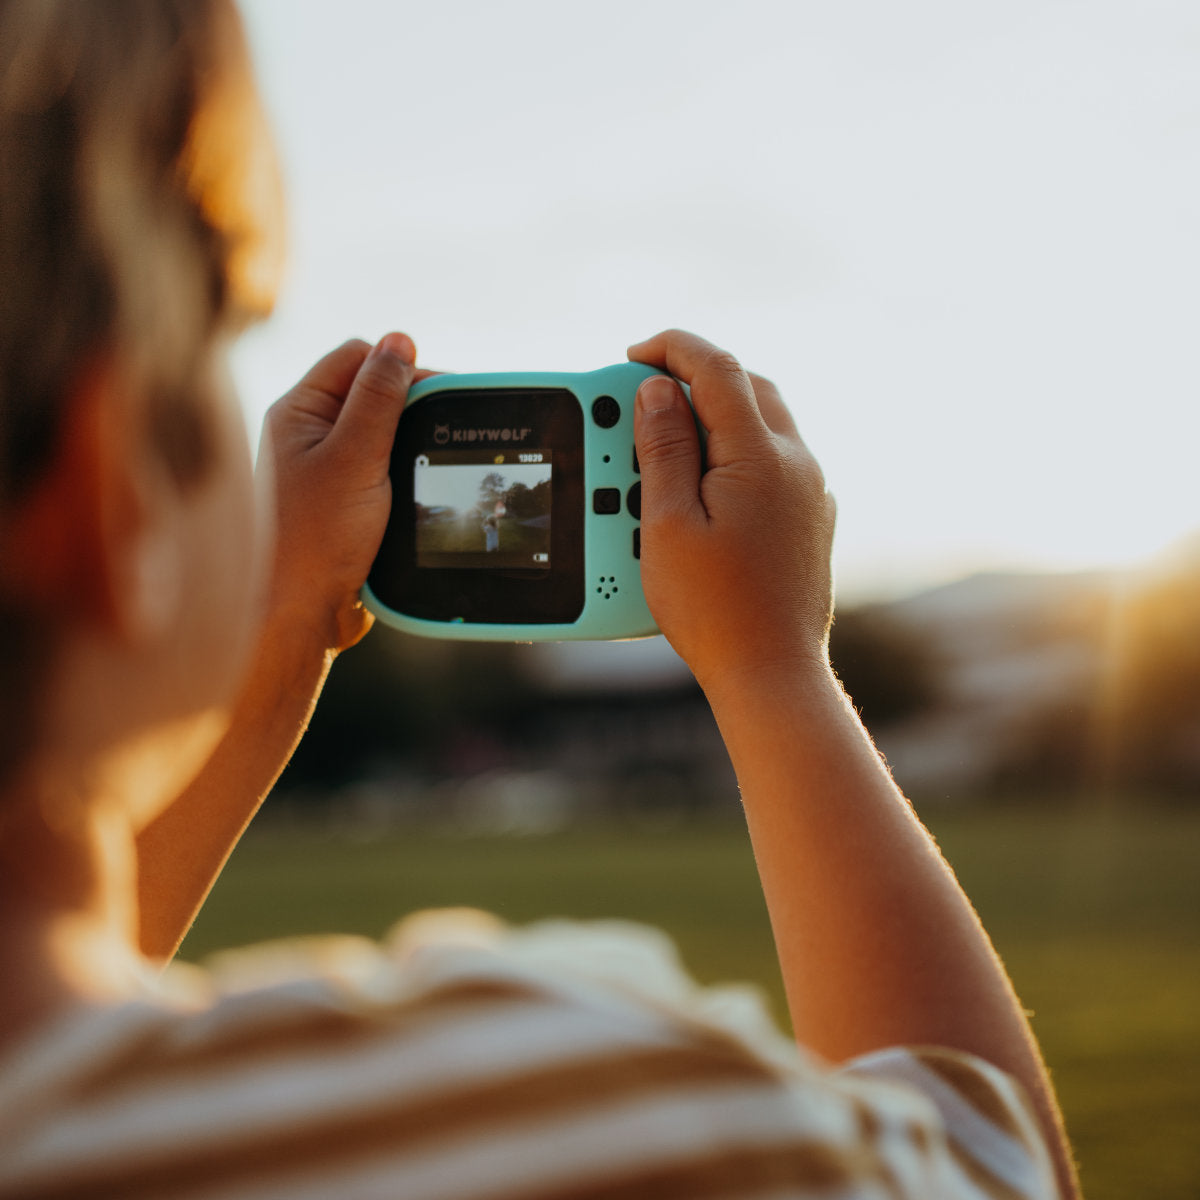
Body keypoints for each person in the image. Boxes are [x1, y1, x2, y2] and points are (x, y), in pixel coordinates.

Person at [0, 1, 1079, 1197]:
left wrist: (279, 616)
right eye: (224, 332)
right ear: (108, 495)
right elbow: (986, 1160)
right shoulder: (550, 1102)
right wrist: (777, 669)